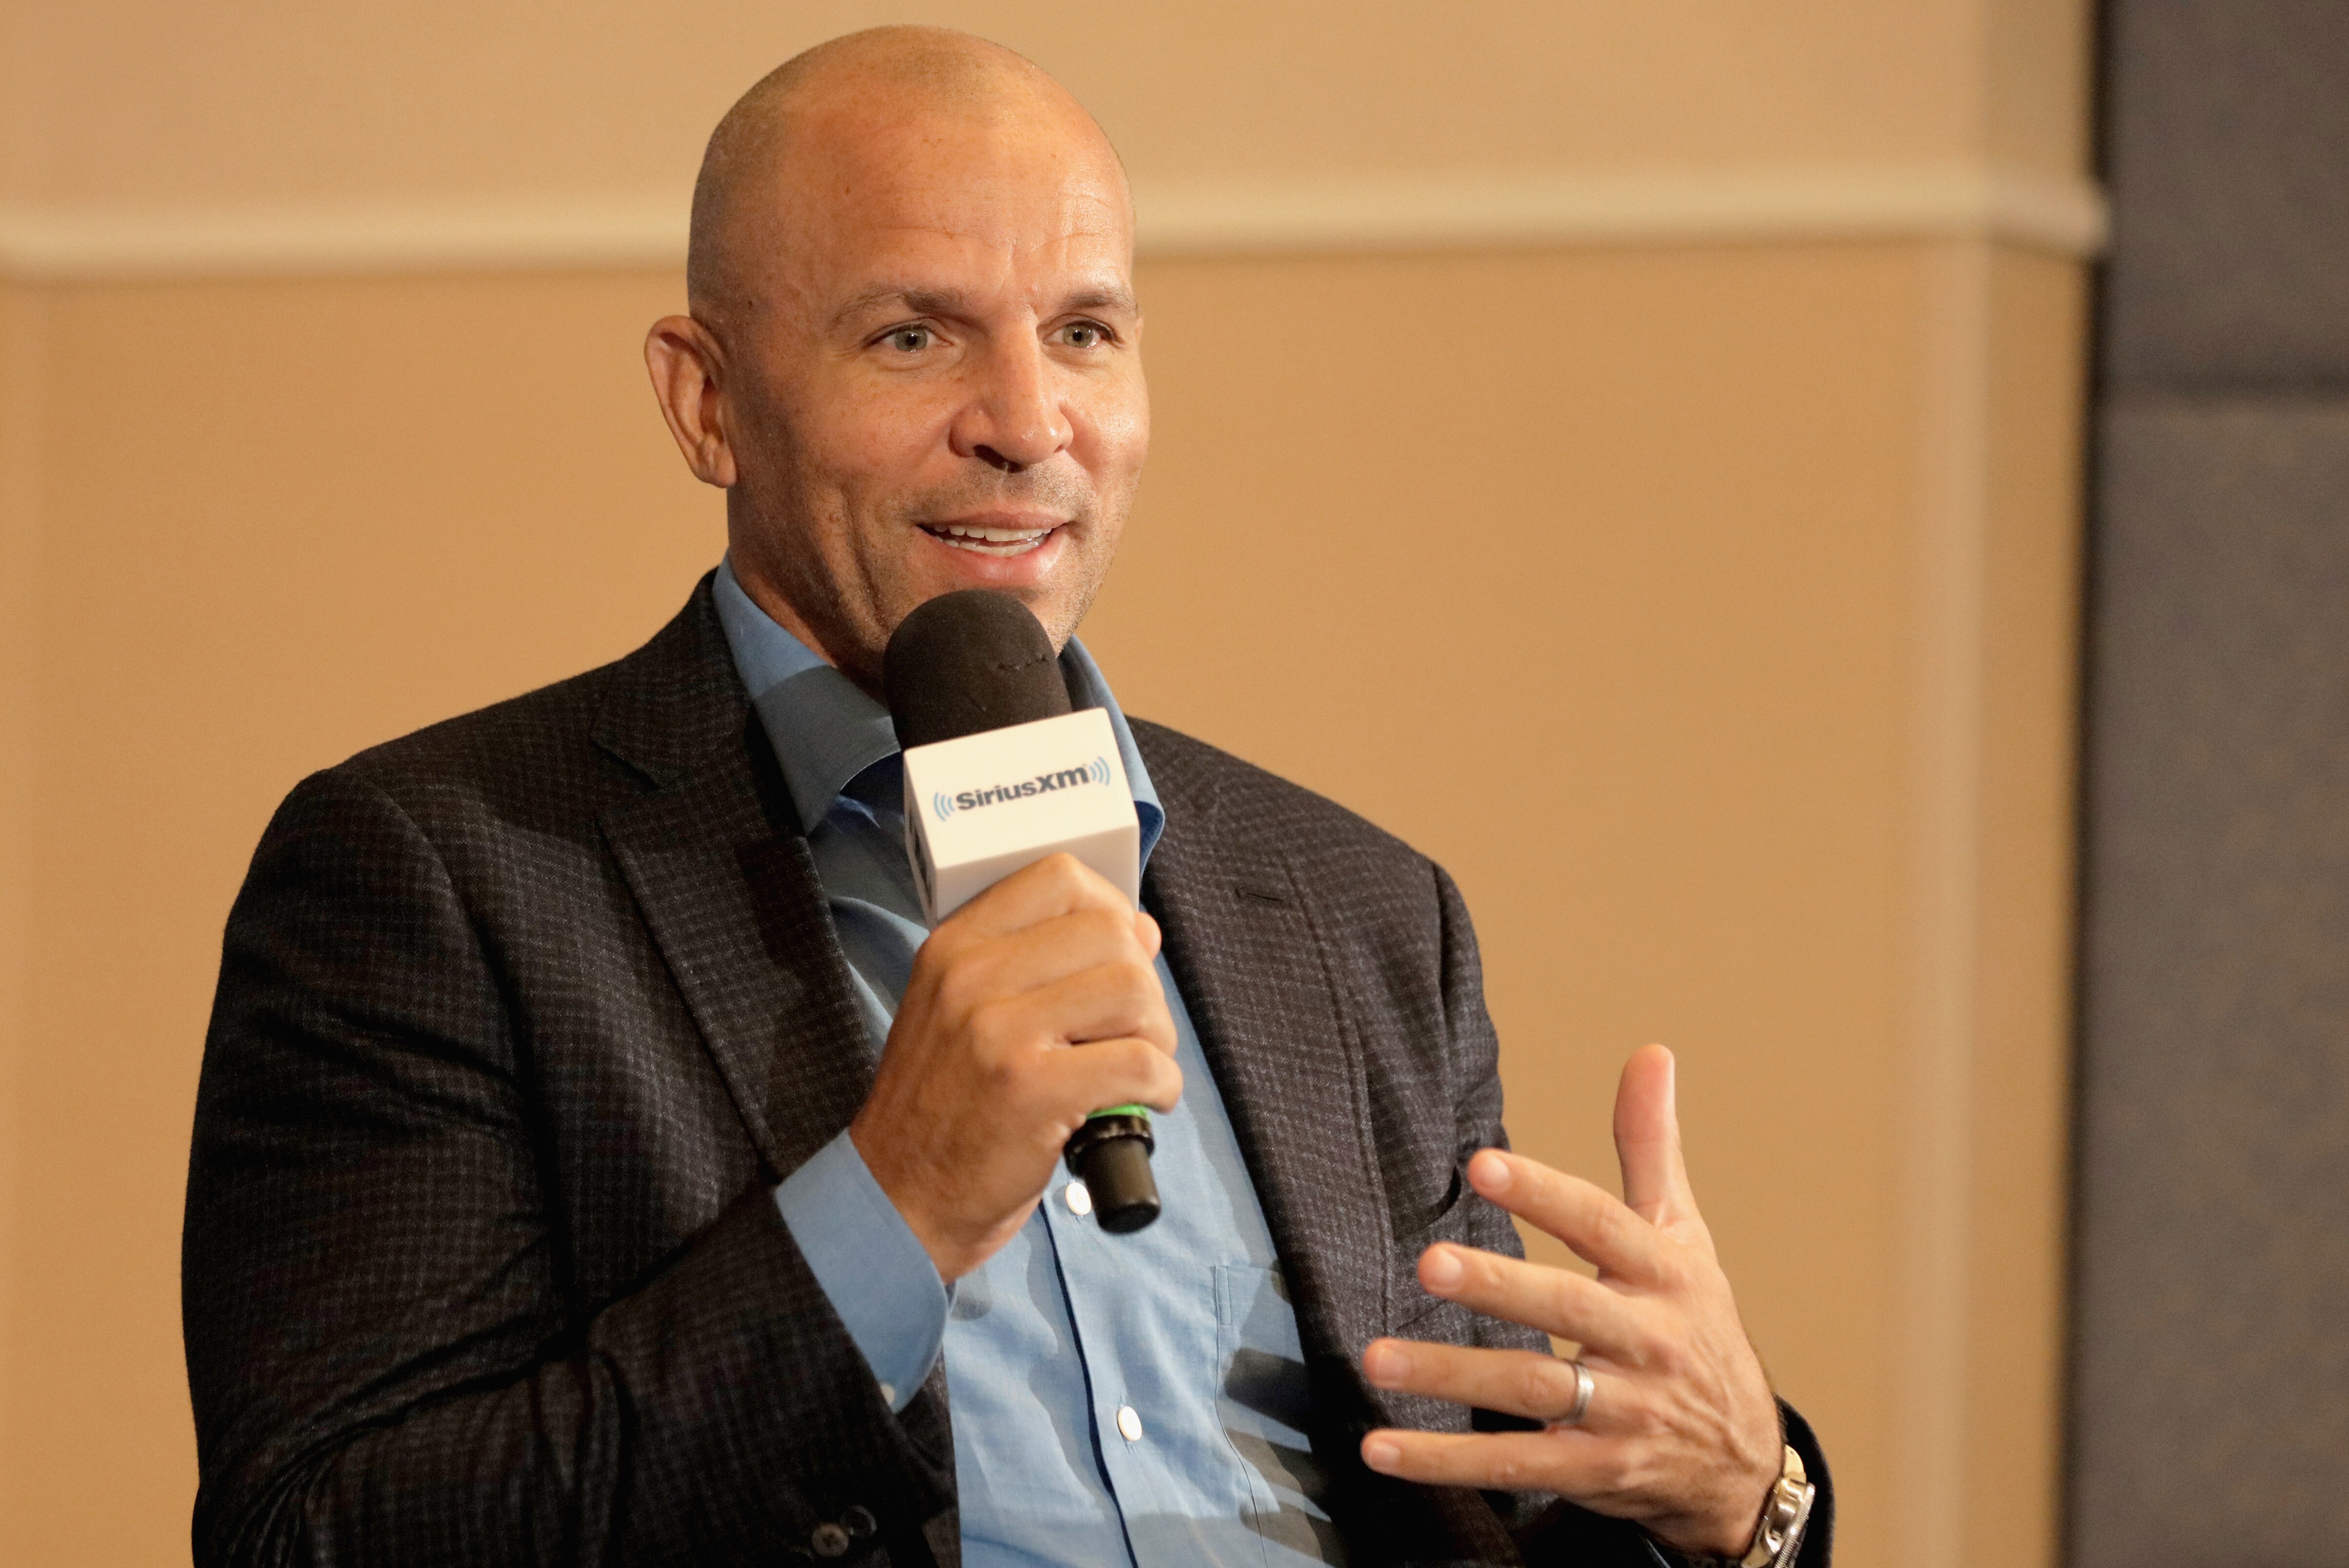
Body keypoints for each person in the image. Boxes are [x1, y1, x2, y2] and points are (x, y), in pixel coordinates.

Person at [183, 26, 1830, 1568]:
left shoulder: (1358, 909)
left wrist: (1738, 1493)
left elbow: (1476, 1513)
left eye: (1084, 334)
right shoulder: (442, 871)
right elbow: (320, 1530)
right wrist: (888, 1208)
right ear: (707, 401)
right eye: (914, 336)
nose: (1028, 425)